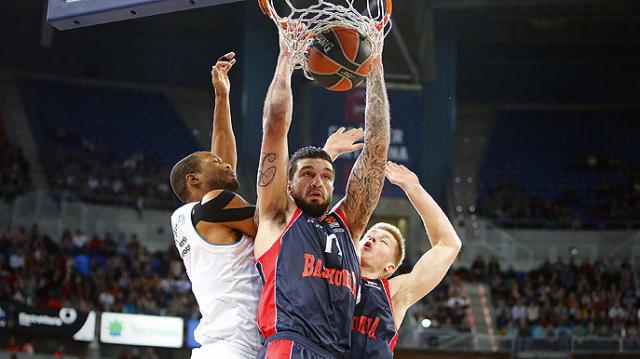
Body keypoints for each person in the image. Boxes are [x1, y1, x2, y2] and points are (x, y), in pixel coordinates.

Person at [169, 53, 366, 359]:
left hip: (228, 345)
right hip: (234, 348)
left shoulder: (190, 214)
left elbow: (221, 151)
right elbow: (284, 221)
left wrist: (222, 97)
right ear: (194, 179)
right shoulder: (213, 204)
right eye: (216, 164)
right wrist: (324, 158)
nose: (227, 165)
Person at [253, 30, 390, 358]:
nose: (318, 181)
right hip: (289, 346)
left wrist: (376, 68)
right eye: (307, 174)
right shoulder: (278, 215)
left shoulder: (348, 224)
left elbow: (377, 148)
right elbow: (274, 128)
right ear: (288, 185)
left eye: (326, 176)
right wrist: (285, 60)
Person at [350, 162, 462, 358]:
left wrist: (413, 188)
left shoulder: (394, 291)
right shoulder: (327, 271)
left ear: (389, 268)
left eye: (383, 241)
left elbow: (449, 244)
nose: (372, 238)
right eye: (368, 235)